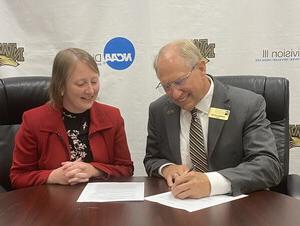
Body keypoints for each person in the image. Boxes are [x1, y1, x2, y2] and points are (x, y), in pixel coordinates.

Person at [144, 39, 283, 199]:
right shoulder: (159, 110)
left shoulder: (247, 105)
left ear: (202, 68)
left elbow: (268, 166)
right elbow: (152, 159)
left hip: (237, 207)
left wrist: (211, 182)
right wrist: (166, 168)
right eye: (166, 86)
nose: (175, 94)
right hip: (181, 207)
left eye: (180, 81)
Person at [10, 48, 134, 189]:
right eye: (81, 84)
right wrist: (52, 176)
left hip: (100, 205)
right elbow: (18, 177)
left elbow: (126, 169)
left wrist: (94, 170)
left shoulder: (112, 117)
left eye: (94, 81)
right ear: (61, 86)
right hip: (52, 206)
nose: (90, 90)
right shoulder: (33, 120)